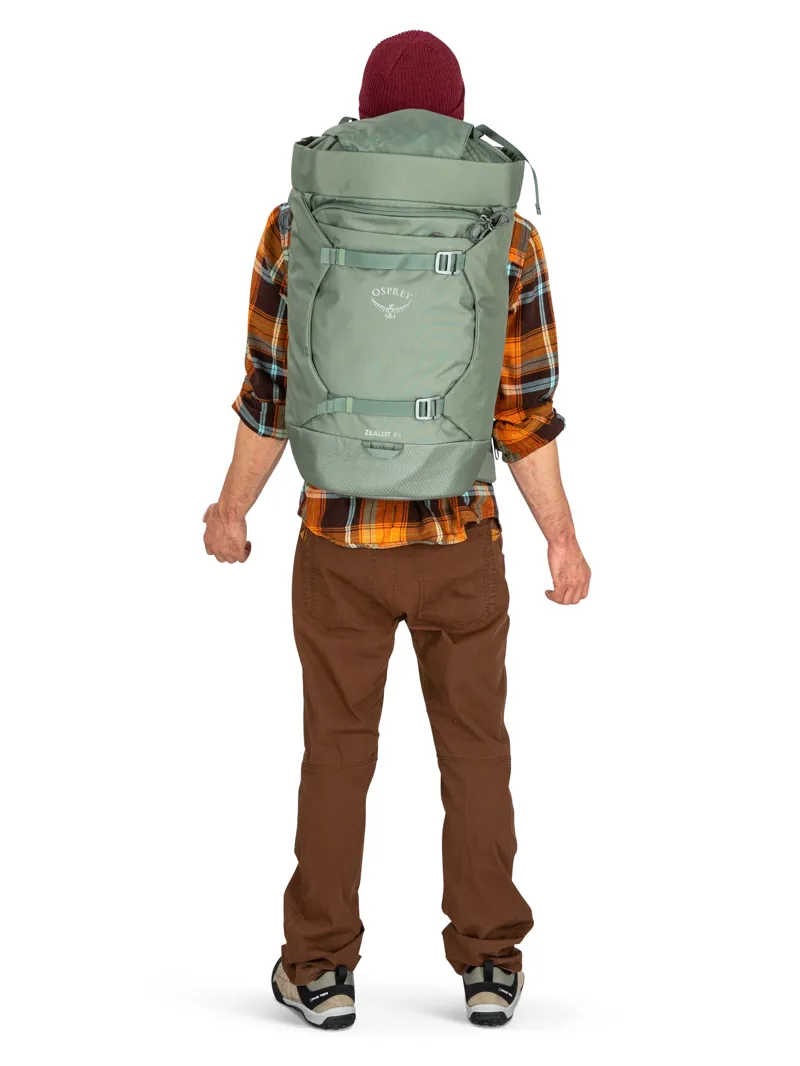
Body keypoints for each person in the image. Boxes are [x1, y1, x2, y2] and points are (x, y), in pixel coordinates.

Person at [203, 30, 591, 1030]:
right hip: (461, 543)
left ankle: (318, 967)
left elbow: (269, 395)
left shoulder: (297, 222)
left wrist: (232, 508)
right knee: (475, 752)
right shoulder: (506, 235)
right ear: (455, 122)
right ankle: (490, 962)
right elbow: (523, 414)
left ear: (365, 116)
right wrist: (560, 536)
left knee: (336, 751)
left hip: (337, 543)